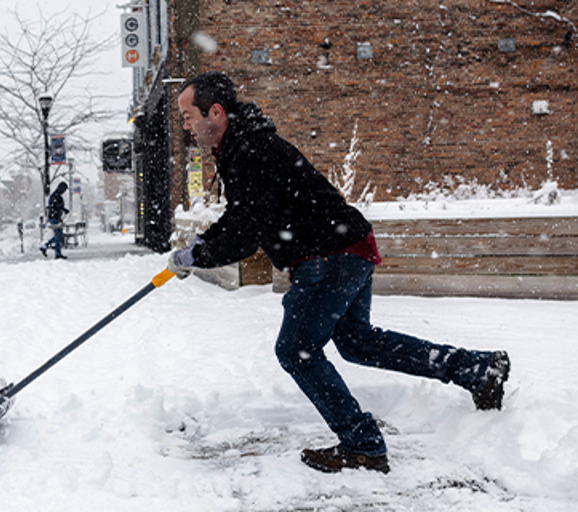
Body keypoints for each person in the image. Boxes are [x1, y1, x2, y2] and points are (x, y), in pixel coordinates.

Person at [167, 71, 510, 474]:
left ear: (216, 112)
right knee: (356, 341)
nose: (186, 126)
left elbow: (245, 233)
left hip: (330, 254)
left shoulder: (250, 151)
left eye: (188, 116)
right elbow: (243, 216)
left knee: (296, 350)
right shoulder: (243, 146)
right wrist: (197, 248)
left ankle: (362, 443)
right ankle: (475, 368)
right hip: (347, 246)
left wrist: (198, 256)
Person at [41, 182, 70, 259]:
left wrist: (63, 210)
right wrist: (61, 211)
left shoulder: (57, 196)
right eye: (64, 190)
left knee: (59, 235)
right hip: (54, 218)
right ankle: (57, 254)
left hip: (57, 218)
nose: (64, 191)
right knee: (57, 236)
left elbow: (57, 207)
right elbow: (53, 207)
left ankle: (45, 246)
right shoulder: (55, 196)